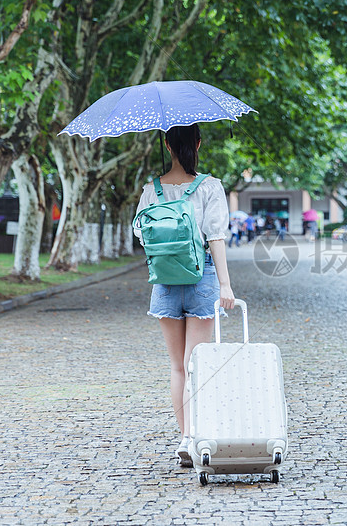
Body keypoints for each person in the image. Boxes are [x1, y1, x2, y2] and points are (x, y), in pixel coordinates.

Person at [134, 124, 235, 467]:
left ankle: (184, 438)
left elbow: (142, 235)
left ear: (167, 145)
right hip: (201, 279)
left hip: (163, 281)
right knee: (197, 366)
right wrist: (225, 285)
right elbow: (216, 237)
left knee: (178, 367)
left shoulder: (152, 190)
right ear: (198, 143)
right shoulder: (209, 187)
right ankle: (194, 438)